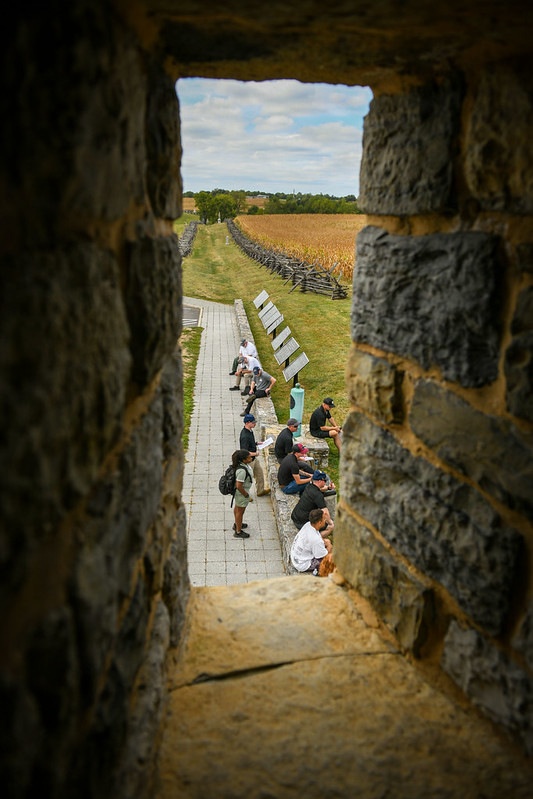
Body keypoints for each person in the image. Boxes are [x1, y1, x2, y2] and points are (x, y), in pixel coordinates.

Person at [290, 508, 333, 575]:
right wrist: (330, 546)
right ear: (319, 522)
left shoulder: (308, 524)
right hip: (302, 564)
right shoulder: (315, 540)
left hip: (295, 556)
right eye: (324, 519)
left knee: (326, 541)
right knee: (330, 559)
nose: (325, 521)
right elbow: (324, 556)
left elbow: (318, 536)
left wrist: (325, 542)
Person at [239, 413, 268, 496]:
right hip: (248, 460)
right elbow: (244, 451)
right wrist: (255, 453)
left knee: (259, 474)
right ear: (247, 423)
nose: (255, 424)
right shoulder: (244, 436)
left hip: (253, 459)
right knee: (247, 479)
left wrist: (257, 443)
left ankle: (260, 491)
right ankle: (244, 494)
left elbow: (250, 443)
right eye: (253, 422)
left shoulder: (250, 431)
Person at [232, 449, 254, 539]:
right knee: (240, 511)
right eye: (249, 457)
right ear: (243, 460)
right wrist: (245, 495)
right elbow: (239, 485)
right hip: (242, 494)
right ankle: (238, 531)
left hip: (241, 493)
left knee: (237, 509)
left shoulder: (243, 465)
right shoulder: (242, 471)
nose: (251, 458)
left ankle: (237, 524)